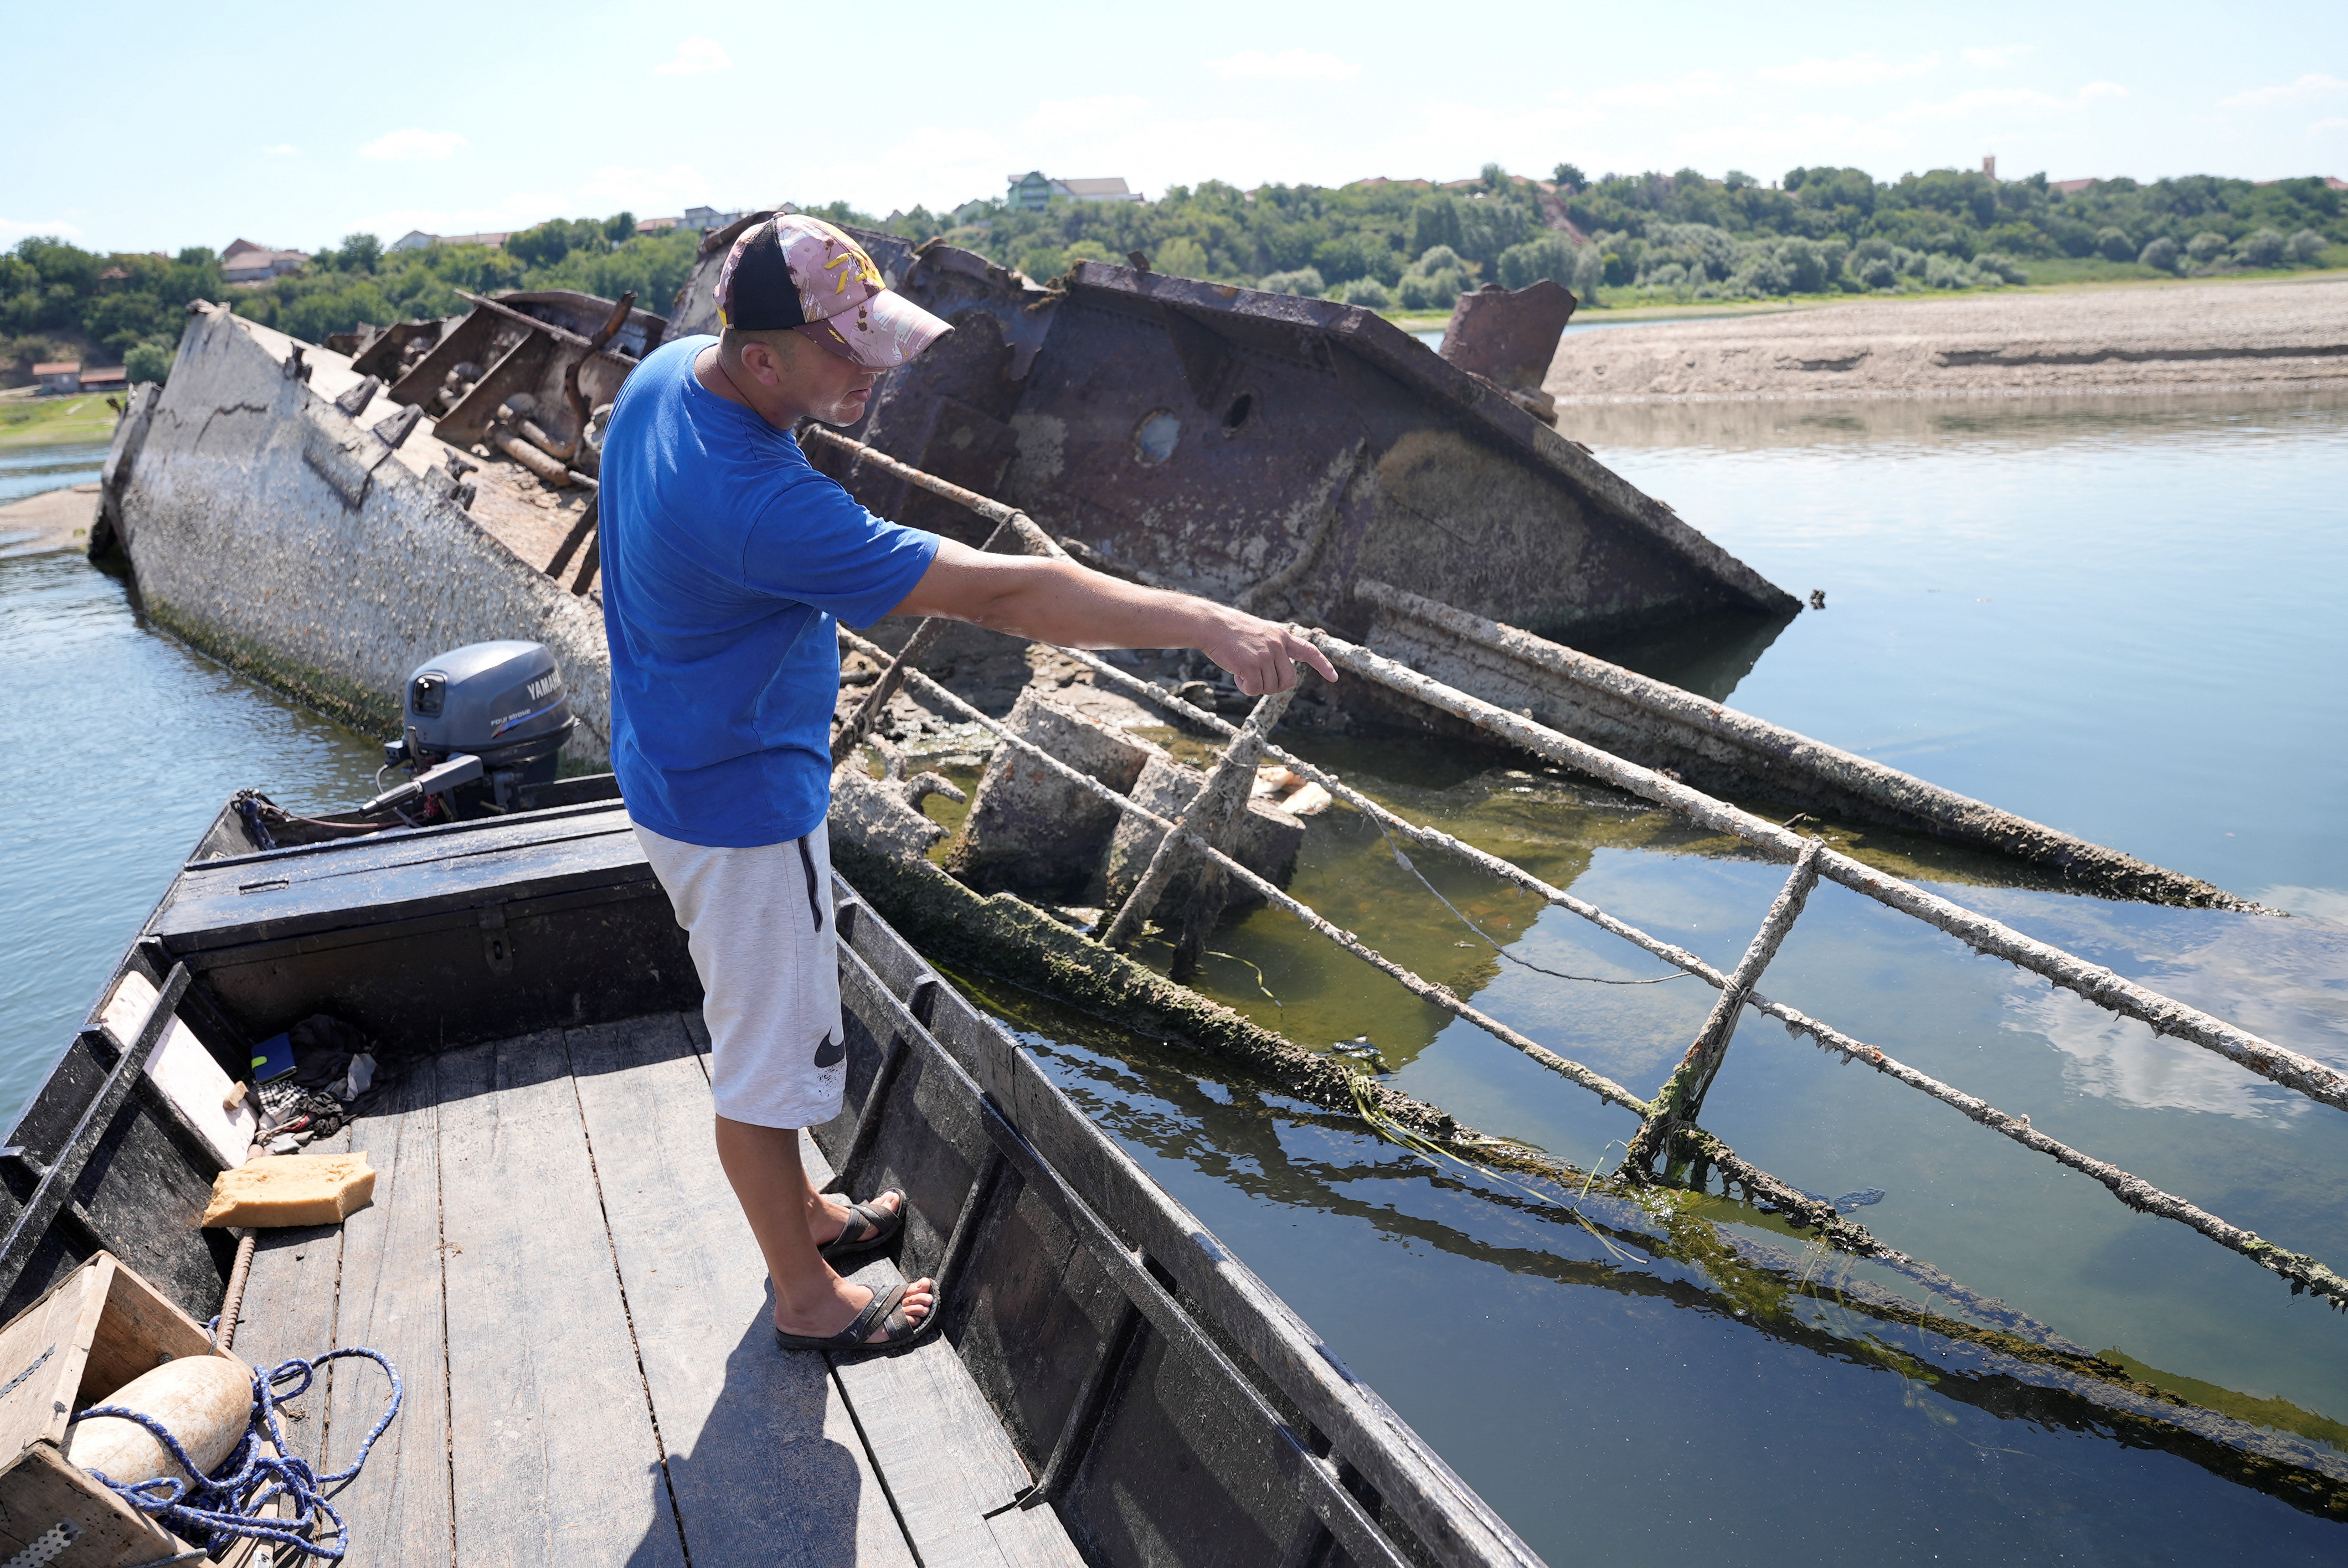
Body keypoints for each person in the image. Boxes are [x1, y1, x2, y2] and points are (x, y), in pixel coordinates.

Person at [598, 214, 1335, 1350]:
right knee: (764, 1068)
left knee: (763, 1024)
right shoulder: (758, 503)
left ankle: (805, 1215)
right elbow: (1006, 595)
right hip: (738, 805)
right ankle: (806, 1298)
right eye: (845, 348)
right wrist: (1205, 621)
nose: (875, 365)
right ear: (759, 360)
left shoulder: (665, 379)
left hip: (670, 758)